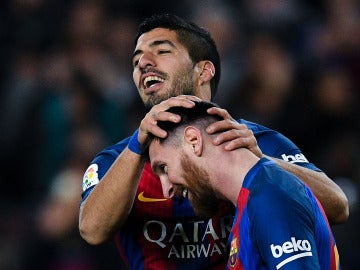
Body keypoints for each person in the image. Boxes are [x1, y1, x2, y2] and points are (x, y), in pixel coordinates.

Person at [79, 14, 348, 269]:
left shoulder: (254, 142)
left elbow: (337, 206)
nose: (143, 63)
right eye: (136, 60)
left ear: (204, 71)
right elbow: (92, 230)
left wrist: (259, 162)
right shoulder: (118, 160)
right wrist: (137, 147)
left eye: (161, 51)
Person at [146, 100, 341, 269]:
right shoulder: (251, 200)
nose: (166, 189)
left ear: (194, 141)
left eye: (163, 168)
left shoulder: (271, 197)